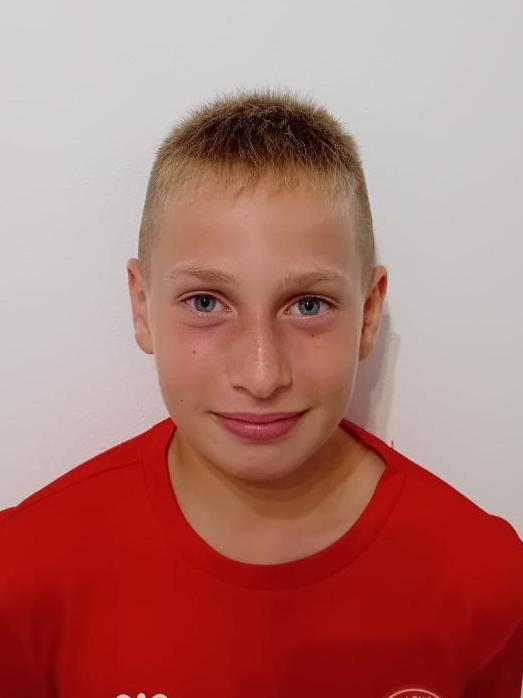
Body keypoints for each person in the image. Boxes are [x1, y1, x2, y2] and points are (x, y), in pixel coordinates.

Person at [1, 88, 522, 698]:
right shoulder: (24, 572)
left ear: (368, 313)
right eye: (205, 302)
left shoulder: (484, 578)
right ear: (141, 307)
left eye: (309, 305)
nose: (261, 374)